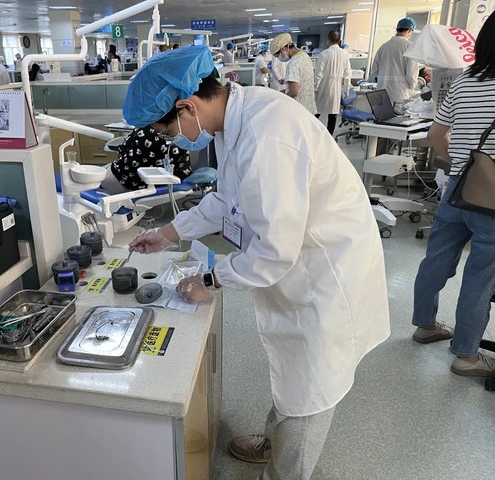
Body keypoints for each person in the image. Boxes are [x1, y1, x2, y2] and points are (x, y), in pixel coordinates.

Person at [123, 45, 389, 480]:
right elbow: (227, 201)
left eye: (168, 130)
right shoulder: (234, 120)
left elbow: (273, 252)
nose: (174, 140)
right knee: (291, 374)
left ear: (187, 106)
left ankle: (286, 471)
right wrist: (169, 232)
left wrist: (210, 279)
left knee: (309, 389)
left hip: (325, 273)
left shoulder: (266, 137)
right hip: (298, 264)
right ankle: (273, 443)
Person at [411, 12, 495, 376]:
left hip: (456, 189)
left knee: (436, 261)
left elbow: (435, 135)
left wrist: (461, 164)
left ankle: (425, 325)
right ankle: (465, 356)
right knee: (481, 276)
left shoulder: (464, 81)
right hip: (492, 202)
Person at [100, 126, 192, 194]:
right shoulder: (182, 140)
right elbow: (184, 173)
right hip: (150, 186)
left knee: (95, 179)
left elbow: (122, 149)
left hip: (120, 177)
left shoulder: (145, 126)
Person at [368, 17, 419, 105]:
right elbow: (411, 74)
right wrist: (412, 88)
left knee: (383, 112)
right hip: (399, 92)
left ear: (397, 29)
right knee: (397, 113)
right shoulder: (410, 47)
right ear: (409, 30)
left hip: (382, 90)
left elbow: (374, 71)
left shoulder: (384, 46)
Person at [314, 30, 352, 135]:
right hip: (336, 88)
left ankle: (310, 133)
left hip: (323, 87)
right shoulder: (345, 54)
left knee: (317, 112)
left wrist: (314, 88)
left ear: (328, 40)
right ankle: (329, 137)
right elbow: (348, 74)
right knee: (333, 115)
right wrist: (346, 90)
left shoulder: (324, 54)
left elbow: (318, 74)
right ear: (339, 41)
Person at [272, 33, 317, 114]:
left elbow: (294, 92)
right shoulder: (305, 56)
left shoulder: (293, 63)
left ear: (283, 49)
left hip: (298, 109)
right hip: (308, 108)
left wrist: (281, 100)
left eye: (277, 56)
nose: (279, 58)